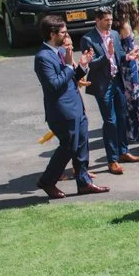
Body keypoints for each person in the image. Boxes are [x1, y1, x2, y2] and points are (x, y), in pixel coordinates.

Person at [34, 14, 108, 199]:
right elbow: (54, 85)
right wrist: (68, 67)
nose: (67, 36)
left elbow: (70, 79)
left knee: (82, 145)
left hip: (76, 108)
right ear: (52, 34)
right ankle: (47, 181)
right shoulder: (42, 58)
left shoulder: (59, 51)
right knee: (68, 147)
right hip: (62, 112)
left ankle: (84, 182)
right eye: (63, 33)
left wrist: (82, 66)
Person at [80, 6, 139, 174]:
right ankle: (112, 159)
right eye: (106, 20)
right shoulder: (88, 39)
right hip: (102, 85)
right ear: (97, 20)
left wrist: (128, 56)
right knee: (110, 121)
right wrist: (107, 56)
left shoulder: (115, 35)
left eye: (110, 20)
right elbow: (90, 64)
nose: (109, 23)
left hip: (117, 81)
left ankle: (123, 151)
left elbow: (120, 55)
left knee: (122, 117)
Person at [114, 0, 139, 145]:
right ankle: (134, 132)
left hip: (132, 63)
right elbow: (127, 48)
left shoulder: (125, 25)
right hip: (128, 67)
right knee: (134, 99)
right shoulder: (123, 27)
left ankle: (138, 127)